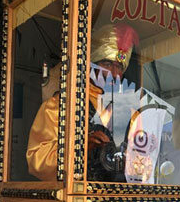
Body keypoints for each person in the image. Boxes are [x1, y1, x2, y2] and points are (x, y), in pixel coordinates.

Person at [26, 23, 138, 181]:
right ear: (91, 65)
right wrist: (80, 149)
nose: (114, 73)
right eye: (106, 64)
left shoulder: (130, 113)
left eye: (119, 66)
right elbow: (37, 160)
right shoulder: (61, 106)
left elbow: (144, 163)